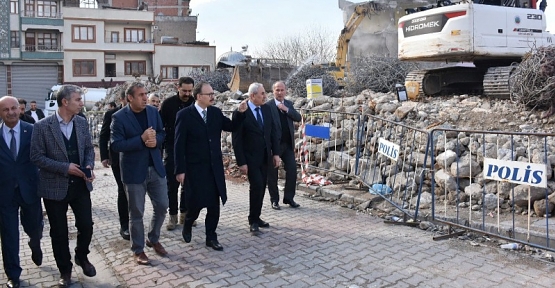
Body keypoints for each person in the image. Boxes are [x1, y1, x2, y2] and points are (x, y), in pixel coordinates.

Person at [30, 85, 96, 288]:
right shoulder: (42, 126)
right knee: (59, 232)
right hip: (54, 188)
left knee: (86, 225)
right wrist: (64, 167)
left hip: (80, 186)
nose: (81, 103)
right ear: (65, 102)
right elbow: (36, 157)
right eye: (78, 99)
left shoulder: (82, 123)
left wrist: (88, 165)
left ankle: (81, 256)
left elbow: (88, 149)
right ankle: (65, 271)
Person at [174, 82, 247, 250]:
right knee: (196, 204)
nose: (213, 97)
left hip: (214, 168)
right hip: (195, 168)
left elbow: (231, 126)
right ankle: (188, 223)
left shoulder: (215, 112)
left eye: (213, 94)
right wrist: (180, 169)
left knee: (214, 204)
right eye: (210, 94)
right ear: (199, 96)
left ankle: (211, 237)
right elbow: (179, 145)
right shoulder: (184, 115)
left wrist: (240, 113)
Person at [111, 82, 168, 265]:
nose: (145, 98)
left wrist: (155, 141)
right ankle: (138, 250)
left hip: (156, 169)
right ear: (130, 98)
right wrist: (141, 140)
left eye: (146, 94)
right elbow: (116, 145)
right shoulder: (119, 117)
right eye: (141, 95)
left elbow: (161, 133)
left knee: (162, 206)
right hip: (134, 172)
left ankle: (153, 237)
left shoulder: (153, 112)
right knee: (136, 213)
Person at [0, 96, 43, 288]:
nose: (10, 112)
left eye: (13, 108)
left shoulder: (32, 131)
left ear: (20, 109)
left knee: (34, 227)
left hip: (30, 190)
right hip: (5, 193)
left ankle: (35, 243)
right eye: (5, 109)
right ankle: (13, 275)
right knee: (9, 234)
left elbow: (42, 157)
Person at [232, 82, 281, 233]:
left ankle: (257, 216)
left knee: (262, 187)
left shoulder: (266, 109)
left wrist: (276, 153)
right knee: (257, 186)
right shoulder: (241, 111)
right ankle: (252, 220)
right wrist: (241, 162)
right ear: (252, 96)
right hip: (250, 158)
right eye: (262, 94)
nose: (265, 96)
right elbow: (237, 139)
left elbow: (272, 132)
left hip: (265, 157)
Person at [159, 76, 195, 230]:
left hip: (191, 150)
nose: (187, 94)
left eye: (190, 91)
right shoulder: (168, 104)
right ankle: (172, 216)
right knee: (172, 185)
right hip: (172, 148)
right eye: (184, 90)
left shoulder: (195, 103)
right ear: (178, 88)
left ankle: (185, 215)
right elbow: (160, 126)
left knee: (188, 184)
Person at [99, 90, 129, 240]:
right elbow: (103, 136)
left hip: (135, 159)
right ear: (122, 99)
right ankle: (125, 225)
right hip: (117, 158)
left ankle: (134, 221)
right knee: (123, 190)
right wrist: (104, 156)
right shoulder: (111, 115)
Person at [266, 81, 302, 209]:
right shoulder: (268, 106)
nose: (280, 93)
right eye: (277, 90)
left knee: (292, 170)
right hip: (274, 146)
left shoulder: (288, 104)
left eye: (282, 90)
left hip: (287, 145)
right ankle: (274, 200)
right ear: (273, 91)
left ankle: (289, 198)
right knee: (272, 174)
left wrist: (286, 110)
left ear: (286, 91)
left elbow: (298, 117)